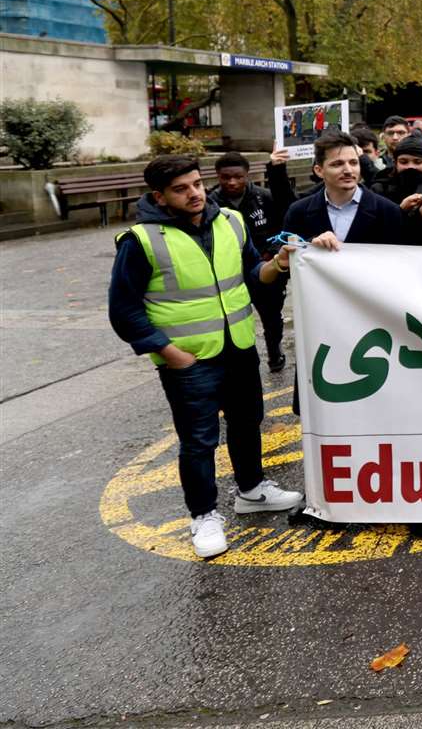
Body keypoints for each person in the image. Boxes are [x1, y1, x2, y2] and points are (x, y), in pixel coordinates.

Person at [108, 156, 304, 558]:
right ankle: (203, 515)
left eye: (197, 184)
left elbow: (252, 274)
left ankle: (251, 490)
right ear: (159, 196)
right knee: (198, 441)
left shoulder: (230, 221)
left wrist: (276, 266)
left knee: (248, 422)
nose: (194, 193)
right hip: (189, 359)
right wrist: (168, 352)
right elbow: (123, 309)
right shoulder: (141, 240)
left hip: (238, 346)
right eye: (181, 189)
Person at [208, 153, 288, 371]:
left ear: (247, 175)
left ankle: (274, 351)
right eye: (225, 177)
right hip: (230, 274)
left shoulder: (265, 197)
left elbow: (283, 228)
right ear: (218, 176)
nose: (232, 182)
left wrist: (272, 254)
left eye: (238, 177)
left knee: (271, 316)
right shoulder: (210, 203)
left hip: (265, 269)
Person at [282, 130, 409, 246]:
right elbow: (289, 260)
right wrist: (310, 245)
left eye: (353, 163)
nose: (348, 170)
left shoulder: (388, 211)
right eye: (337, 164)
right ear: (319, 171)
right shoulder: (298, 212)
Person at [371, 132, 422, 203]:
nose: (410, 167)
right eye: (403, 162)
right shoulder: (380, 189)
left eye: (417, 162)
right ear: (395, 163)